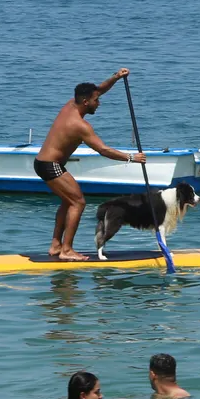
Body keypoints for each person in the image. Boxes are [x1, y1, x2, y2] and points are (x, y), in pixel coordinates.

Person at [36, 69, 146, 261]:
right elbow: (104, 150)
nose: (99, 103)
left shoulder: (70, 105)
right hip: (50, 165)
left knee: (68, 201)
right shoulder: (80, 126)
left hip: (44, 163)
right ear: (86, 102)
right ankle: (66, 250)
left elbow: (99, 89)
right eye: (96, 100)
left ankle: (56, 245)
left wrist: (116, 77)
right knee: (78, 202)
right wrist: (131, 158)